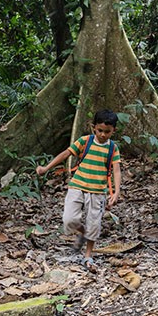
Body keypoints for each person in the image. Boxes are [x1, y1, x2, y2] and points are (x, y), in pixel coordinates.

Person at [36, 109, 122, 268]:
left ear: (113, 131)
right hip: (77, 186)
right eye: (100, 130)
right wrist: (46, 168)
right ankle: (82, 231)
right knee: (69, 219)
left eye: (107, 132)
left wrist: (116, 192)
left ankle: (88, 256)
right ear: (93, 127)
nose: (103, 134)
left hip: (98, 191)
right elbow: (65, 154)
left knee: (94, 224)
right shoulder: (85, 141)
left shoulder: (113, 148)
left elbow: (116, 170)